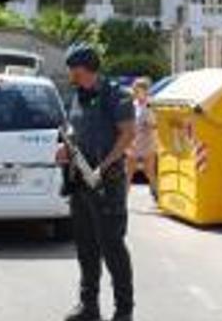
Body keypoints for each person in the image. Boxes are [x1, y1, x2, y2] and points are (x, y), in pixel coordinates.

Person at [56, 43, 136, 321]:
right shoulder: (77, 95)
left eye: (72, 69)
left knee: (112, 247)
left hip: (107, 183)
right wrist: (65, 147)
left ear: (84, 68)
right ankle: (88, 307)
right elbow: (71, 127)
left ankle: (123, 312)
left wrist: (104, 166)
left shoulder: (116, 95)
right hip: (80, 182)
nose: (70, 74)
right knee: (86, 248)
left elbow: (128, 134)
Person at [126, 77, 158, 200]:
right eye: (137, 90)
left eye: (141, 90)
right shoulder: (133, 104)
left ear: (146, 90)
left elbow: (156, 123)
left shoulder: (151, 104)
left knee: (148, 170)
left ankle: (156, 192)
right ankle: (123, 198)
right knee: (128, 171)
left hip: (147, 141)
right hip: (134, 141)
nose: (138, 92)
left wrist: (150, 125)